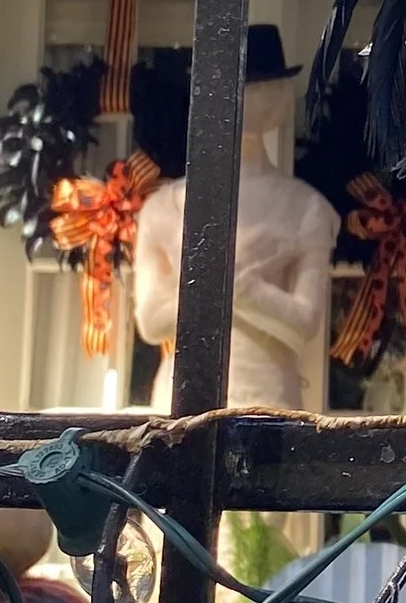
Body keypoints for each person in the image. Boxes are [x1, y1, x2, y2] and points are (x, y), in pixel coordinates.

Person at [133, 24, 339, 410]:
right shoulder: (163, 208)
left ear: (279, 94)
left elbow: (306, 321)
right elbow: (151, 320)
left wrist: (238, 287)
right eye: (244, 88)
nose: (250, 99)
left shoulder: (306, 207)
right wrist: (232, 282)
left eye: (260, 87)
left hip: (270, 403)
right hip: (181, 402)